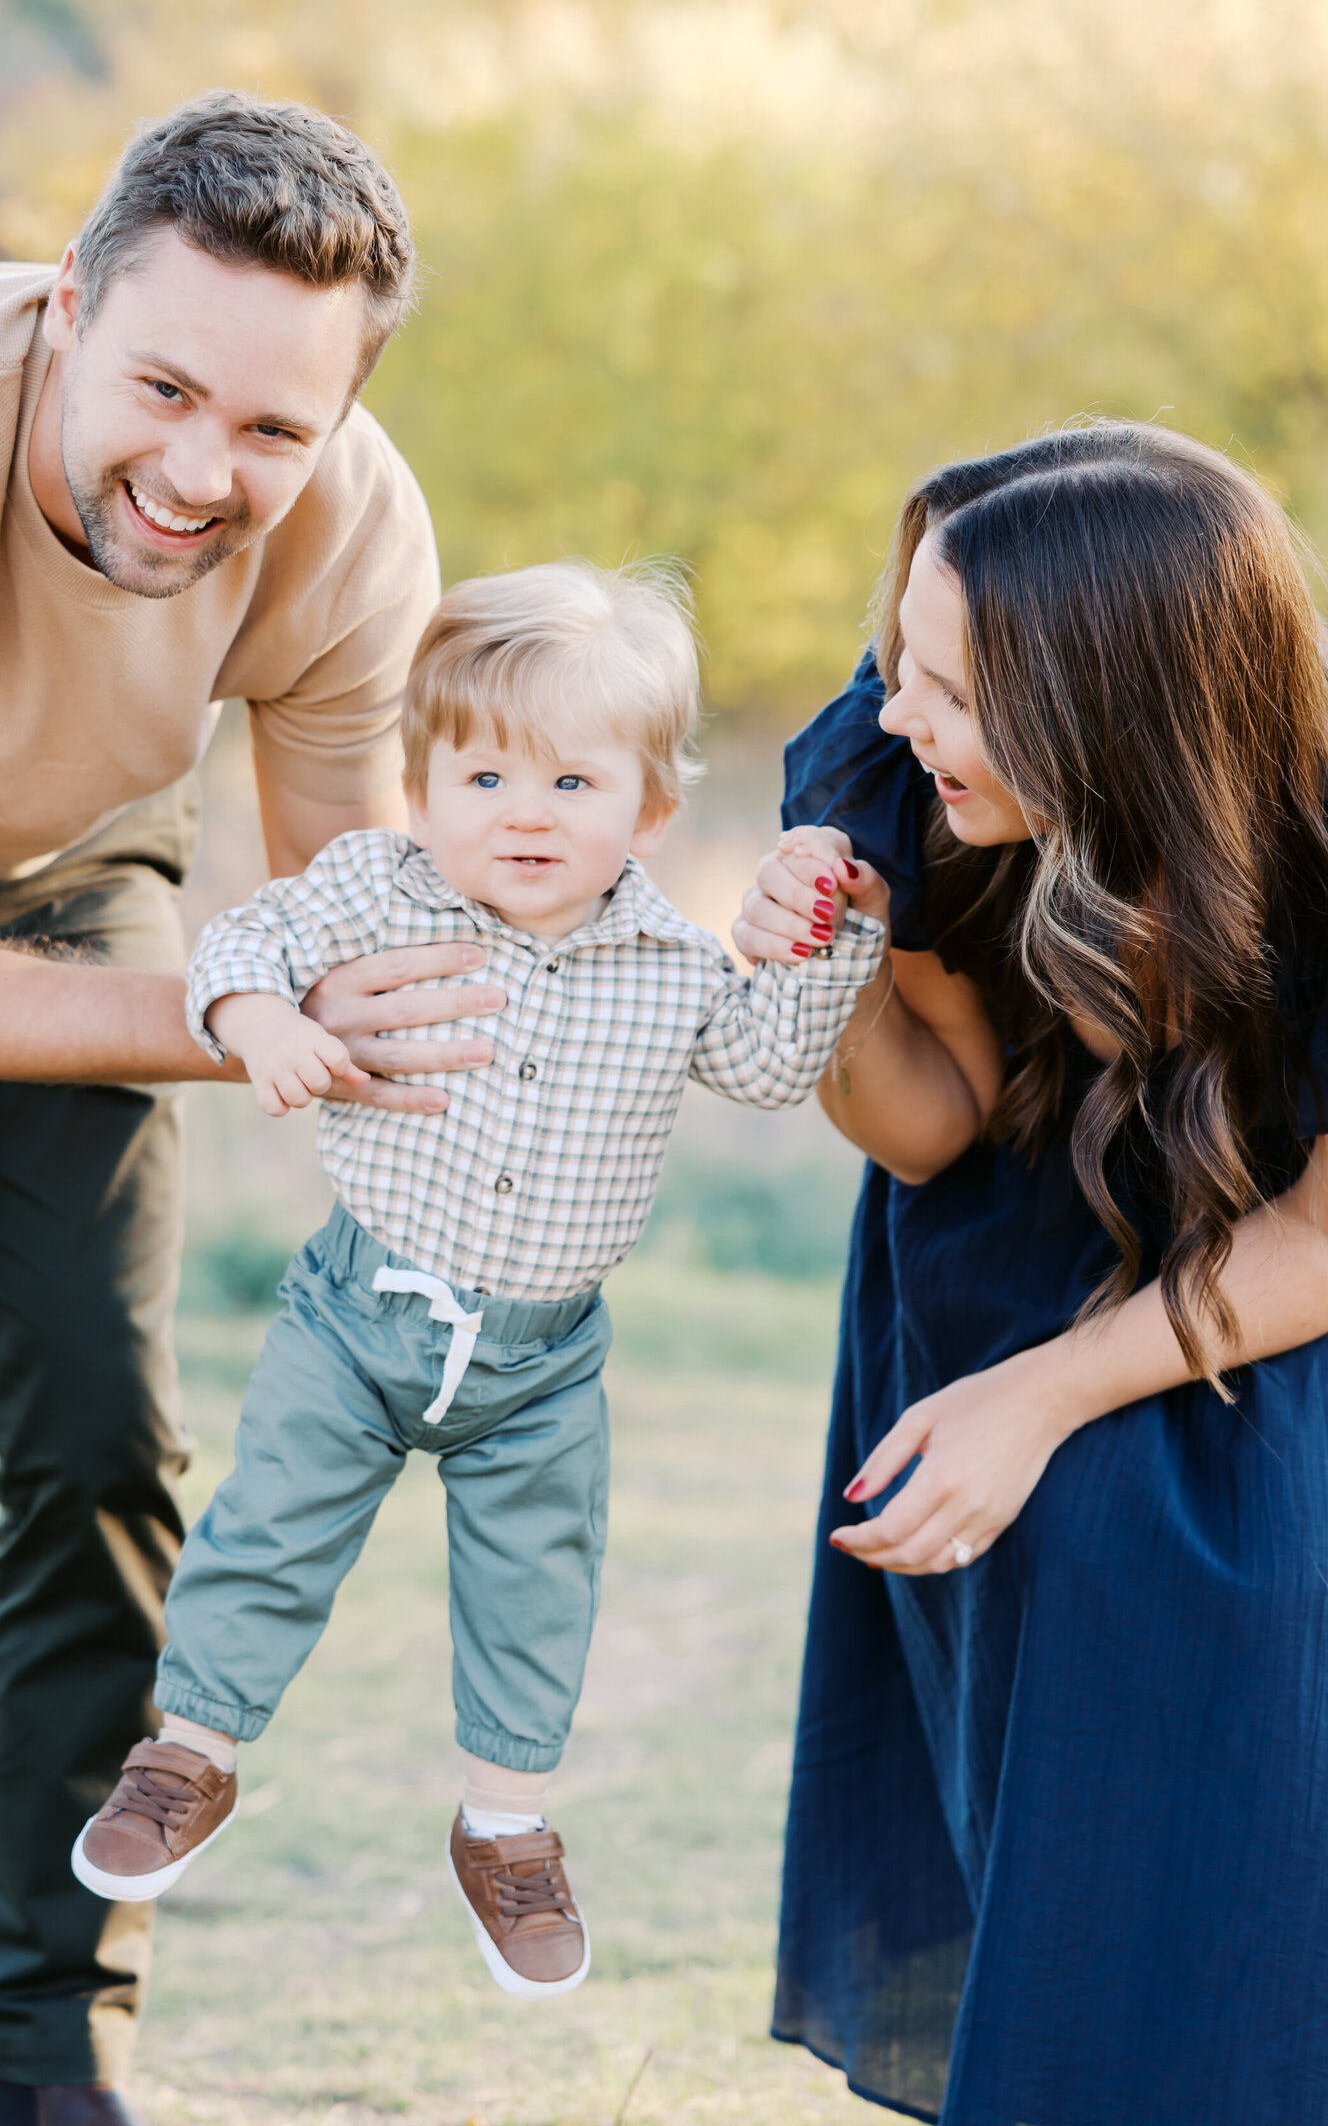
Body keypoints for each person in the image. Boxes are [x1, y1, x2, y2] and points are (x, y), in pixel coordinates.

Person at [0, 92, 513, 2126]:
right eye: (161, 386)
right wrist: (225, 1012)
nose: (199, 471)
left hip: (69, 858)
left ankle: (47, 2047)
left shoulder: (354, 530)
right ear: (66, 305)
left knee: (101, 1427)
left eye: (270, 428)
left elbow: (345, 919)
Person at [65, 560, 888, 1997]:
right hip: (358, 1314)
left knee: (536, 1586)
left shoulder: (672, 963)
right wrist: (258, 1017)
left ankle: (505, 1824)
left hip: (542, 1360)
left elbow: (766, 1068)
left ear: (649, 807)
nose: (522, 811)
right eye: (484, 773)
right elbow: (249, 939)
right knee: (270, 1529)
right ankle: (189, 1754)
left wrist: (831, 944)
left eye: (573, 784)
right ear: (423, 780)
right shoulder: (375, 893)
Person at [732, 420, 1328, 2124]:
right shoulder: (891, 767)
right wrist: (828, 962)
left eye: (951, 689)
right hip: (992, 1252)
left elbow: (1319, 1238)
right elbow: (930, 1126)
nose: (897, 714)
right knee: (1030, 1802)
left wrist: (1045, 1399)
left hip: (1252, 1286)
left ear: (1113, 710)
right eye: (897, 657)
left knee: (1229, 1795)